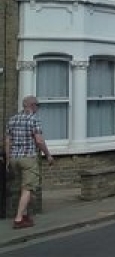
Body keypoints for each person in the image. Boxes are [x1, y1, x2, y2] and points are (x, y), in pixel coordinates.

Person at [5, 95, 54, 230]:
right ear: (32, 106)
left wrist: (8, 159)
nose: (38, 108)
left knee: (24, 187)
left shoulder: (13, 119)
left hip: (14, 158)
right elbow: (39, 141)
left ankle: (25, 215)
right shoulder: (34, 120)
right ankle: (19, 219)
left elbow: (8, 141)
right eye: (37, 106)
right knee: (28, 188)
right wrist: (48, 155)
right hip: (28, 158)